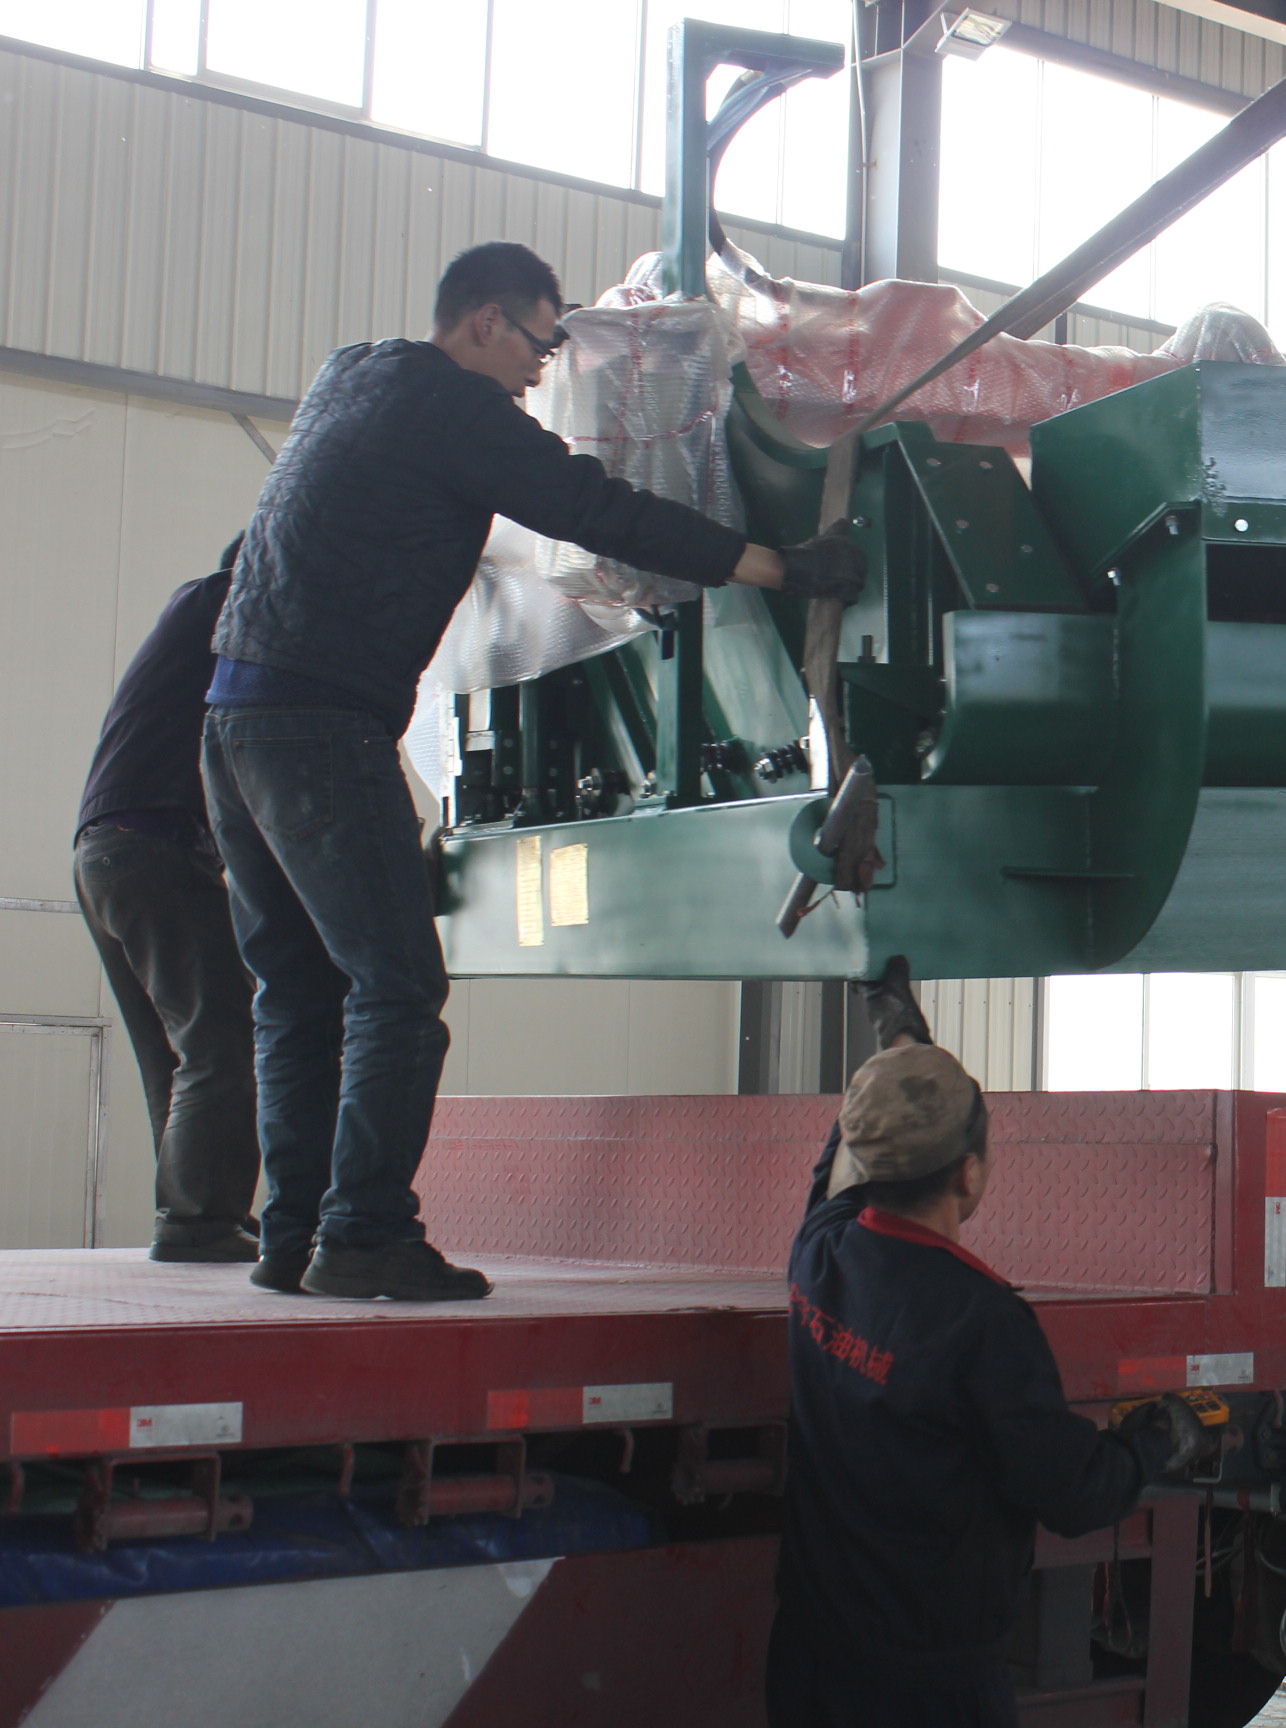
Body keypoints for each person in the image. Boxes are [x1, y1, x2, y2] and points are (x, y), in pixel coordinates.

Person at [204, 240, 864, 1302]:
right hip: (321, 727)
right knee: (398, 988)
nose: (540, 371)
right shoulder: (457, 410)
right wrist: (782, 567)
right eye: (540, 345)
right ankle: (364, 1232)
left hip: (232, 726)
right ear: (485, 322)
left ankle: (293, 1236)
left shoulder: (350, 376)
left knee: (297, 991)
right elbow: (596, 509)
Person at [770, 969, 1212, 1728]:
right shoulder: (982, 1322)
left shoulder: (821, 1252)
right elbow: (1074, 1494)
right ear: (969, 1173)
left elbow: (849, 1157)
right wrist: (1155, 1440)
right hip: (925, 1690)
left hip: (809, 1662)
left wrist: (902, 1041)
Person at [73, 537, 260, 1262]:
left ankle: (190, 1213)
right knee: (220, 1037)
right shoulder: (222, 601)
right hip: (151, 850)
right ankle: (197, 1220)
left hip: (107, 855)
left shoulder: (192, 615)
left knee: (173, 1053)